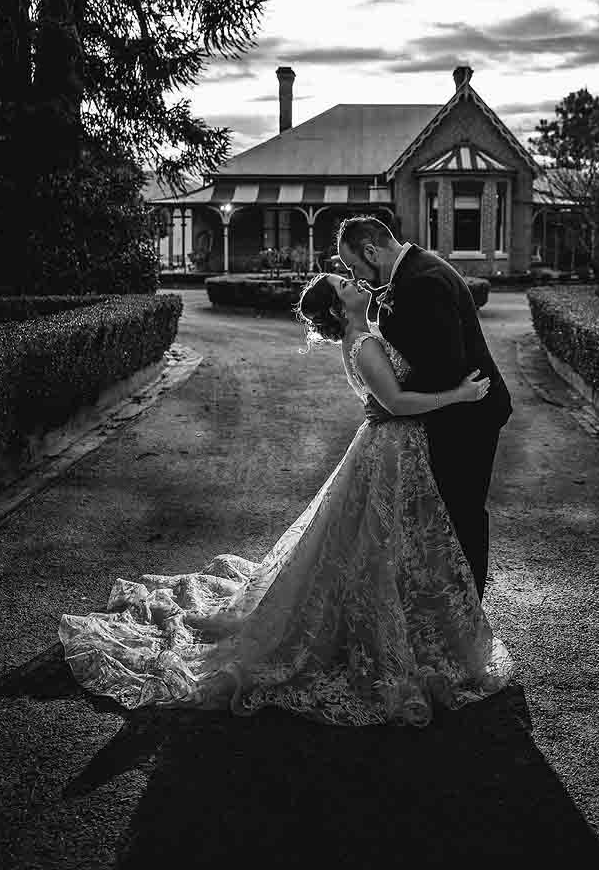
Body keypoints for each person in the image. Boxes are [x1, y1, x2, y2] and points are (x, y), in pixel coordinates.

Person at [58, 273, 513, 726]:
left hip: (391, 447)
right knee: (375, 544)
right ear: (339, 307)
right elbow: (394, 403)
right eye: (345, 284)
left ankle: (395, 624)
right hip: (392, 446)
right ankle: (375, 633)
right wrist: (459, 394)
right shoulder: (364, 344)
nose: (355, 283)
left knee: (375, 544)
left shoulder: (365, 336)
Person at [337, 216, 512, 601]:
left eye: (353, 267)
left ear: (371, 251)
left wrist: (393, 404)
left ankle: (468, 610)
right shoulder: (412, 272)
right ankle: (448, 606)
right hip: (457, 411)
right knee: (444, 515)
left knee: (461, 515)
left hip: (469, 416)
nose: (356, 277)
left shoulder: (423, 281)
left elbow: (446, 365)